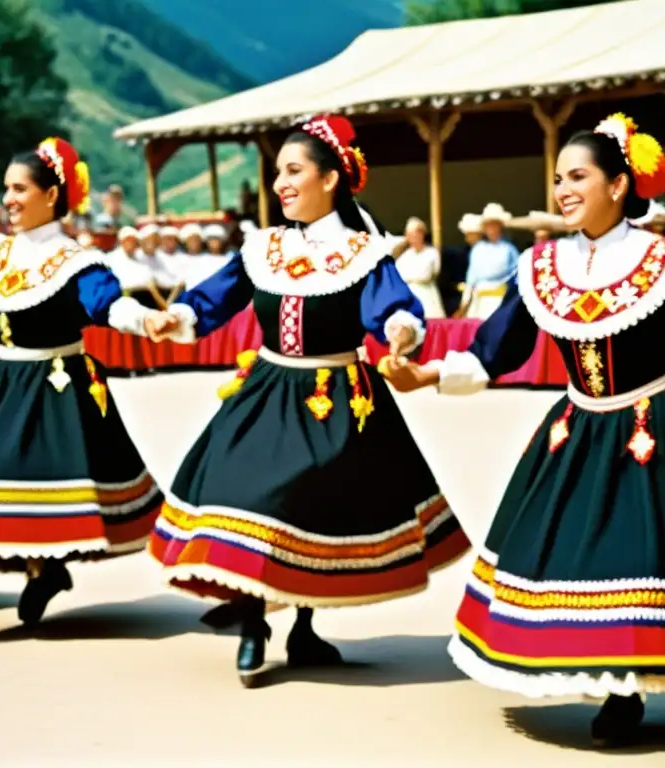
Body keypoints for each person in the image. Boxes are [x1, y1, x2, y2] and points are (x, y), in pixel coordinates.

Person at [383, 113, 665, 747]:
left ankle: (627, 686)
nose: (562, 189)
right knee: (578, 549)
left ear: (619, 185)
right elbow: (494, 349)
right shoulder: (542, 265)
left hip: (658, 425)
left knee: (647, 552)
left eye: (578, 176)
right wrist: (426, 375)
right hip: (579, 425)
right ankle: (614, 678)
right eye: (558, 178)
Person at [137, 115, 470, 687]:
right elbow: (214, 298)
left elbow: (394, 308)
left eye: (293, 171)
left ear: (331, 180)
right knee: (242, 491)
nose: (280, 184)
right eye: (277, 173)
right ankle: (251, 621)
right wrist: (179, 317)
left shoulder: (363, 253)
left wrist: (399, 334)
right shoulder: (263, 246)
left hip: (333, 397)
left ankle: (305, 626)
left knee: (313, 506)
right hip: (266, 390)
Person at [0, 138, 163, 626]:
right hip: (5, 384)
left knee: (46, 481)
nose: (7, 198)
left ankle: (44, 568)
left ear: (51, 195)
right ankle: (41, 569)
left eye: (19, 188)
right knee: (0, 478)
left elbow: (107, 305)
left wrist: (145, 320)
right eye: (5, 188)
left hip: (58, 385)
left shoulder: (76, 259)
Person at [459, 203, 520, 319]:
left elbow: (516, 274)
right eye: (488, 226)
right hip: (480, 300)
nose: (491, 229)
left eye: (494, 225)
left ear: (500, 227)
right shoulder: (478, 249)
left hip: (501, 298)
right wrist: (465, 301)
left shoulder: (509, 249)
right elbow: (471, 277)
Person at [395, 216, 445, 318]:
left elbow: (428, 274)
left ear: (422, 234)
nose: (413, 238)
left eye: (416, 234)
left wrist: (411, 275)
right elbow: (399, 275)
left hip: (427, 294)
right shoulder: (404, 256)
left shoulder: (432, 253)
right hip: (408, 295)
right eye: (410, 235)